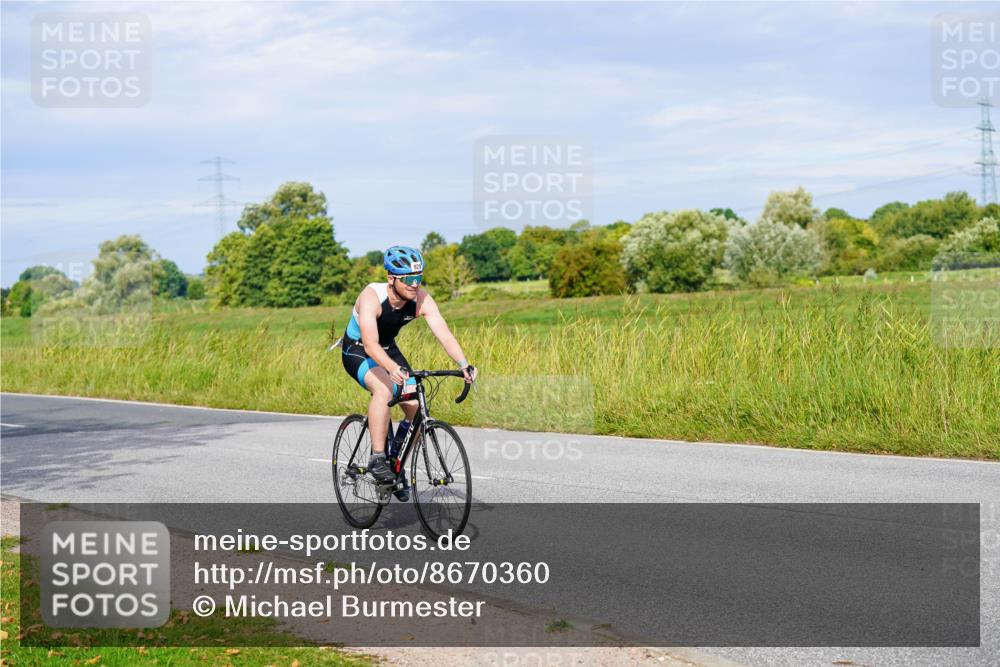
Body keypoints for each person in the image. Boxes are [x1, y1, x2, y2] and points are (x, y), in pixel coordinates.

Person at [339, 245, 477, 499]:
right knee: (384, 388)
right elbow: (370, 344)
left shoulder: (421, 299)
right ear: (391, 278)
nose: (415, 284)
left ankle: (397, 464)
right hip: (358, 350)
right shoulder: (371, 296)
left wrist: (463, 363)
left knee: (414, 407)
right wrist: (391, 369)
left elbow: (443, 333)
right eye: (409, 279)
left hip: (388, 349)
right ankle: (378, 458)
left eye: (419, 278)